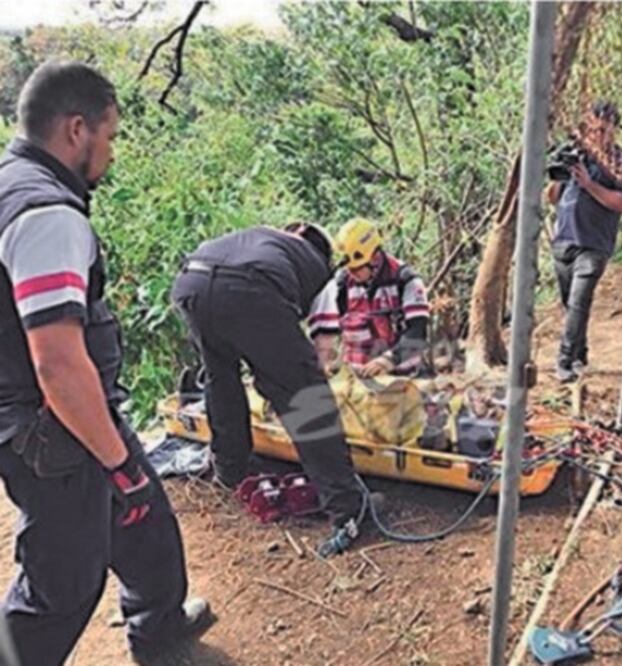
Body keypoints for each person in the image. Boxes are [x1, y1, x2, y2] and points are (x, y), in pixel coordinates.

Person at [0, 61, 212, 666]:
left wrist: (125, 468)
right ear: (76, 130)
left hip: (69, 412)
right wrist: (118, 463)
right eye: (110, 136)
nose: (112, 153)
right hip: (50, 427)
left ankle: (160, 630)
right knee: (61, 587)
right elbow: (59, 365)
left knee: (146, 527)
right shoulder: (45, 215)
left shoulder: (11, 182)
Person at [171, 222, 367, 557]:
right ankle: (347, 507)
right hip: (249, 289)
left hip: (192, 283)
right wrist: (297, 382)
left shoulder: (259, 237)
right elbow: (322, 347)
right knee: (307, 396)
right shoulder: (319, 269)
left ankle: (230, 469)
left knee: (221, 377)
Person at [545, 101, 622, 383]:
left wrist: (589, 184)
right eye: (592, 129)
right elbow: (552, 197)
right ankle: (579, 352)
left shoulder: (621, 162)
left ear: (614, 131)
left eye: (603, 130)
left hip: (594, 243)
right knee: (570, 303)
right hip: (564, 240)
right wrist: (561, 169)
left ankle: (563, 361)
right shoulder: (576, 154)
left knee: (578, 302)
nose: (597, 135)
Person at [309, 217, 431, 379]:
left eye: (358, 268)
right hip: (359, 381)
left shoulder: (406, 280)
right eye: (349, 268)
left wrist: (388, 360)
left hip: (402, 379)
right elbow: (326, 327)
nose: (352, 273)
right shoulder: (342, 284)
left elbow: (417, 332)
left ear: (374, 257)